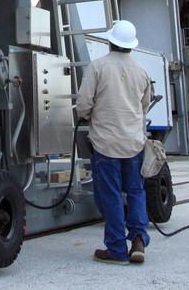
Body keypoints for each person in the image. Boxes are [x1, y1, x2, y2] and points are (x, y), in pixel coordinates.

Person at [76, 19, 152, 265]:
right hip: (133, 143)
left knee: (110, 195)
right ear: (131, 45)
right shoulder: (141, 71)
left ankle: (117, 249)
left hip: (106, 143)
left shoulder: (97, 67)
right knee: (136, 191)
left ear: (110, 41)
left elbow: (84, 103)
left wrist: (86, 115)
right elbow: (144, 106)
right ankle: (138, 241)